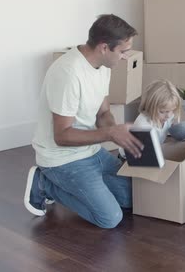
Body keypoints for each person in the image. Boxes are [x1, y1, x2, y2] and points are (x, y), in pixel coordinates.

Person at [24, 14, 144, 229]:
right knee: (110, 218)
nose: (126, 57)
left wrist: (117, 132)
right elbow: (62, 136)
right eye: (123, 51)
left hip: (91, 151)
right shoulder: (68, 73)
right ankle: (45, 184)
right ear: (104, 47)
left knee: (135, 199)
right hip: (62, 159)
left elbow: (103, 113)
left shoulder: (102, 67)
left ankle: (88, 187)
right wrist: (109, 134)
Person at [118, 80, 181, 159]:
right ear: (150, 107)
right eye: (163, 111)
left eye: (172, 110)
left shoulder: (168, 116)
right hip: (129, 157)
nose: (168, 115)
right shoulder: (143, 125)